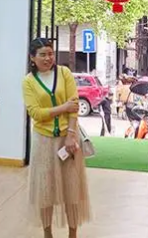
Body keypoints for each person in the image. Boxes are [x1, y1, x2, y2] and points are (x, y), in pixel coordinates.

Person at [22, 38, 91, 238]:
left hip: (68, 139)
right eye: (42, 54)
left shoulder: (64, 73)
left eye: (50, 54)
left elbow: (74, 105)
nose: (48, 58)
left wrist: (71, 134)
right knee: (45, 190)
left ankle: (72, 234)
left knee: (72, 189)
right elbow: (36, 113)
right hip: (42, 141)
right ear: (32, 58)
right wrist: (63, 107)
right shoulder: (28, 81)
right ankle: (47, 234)